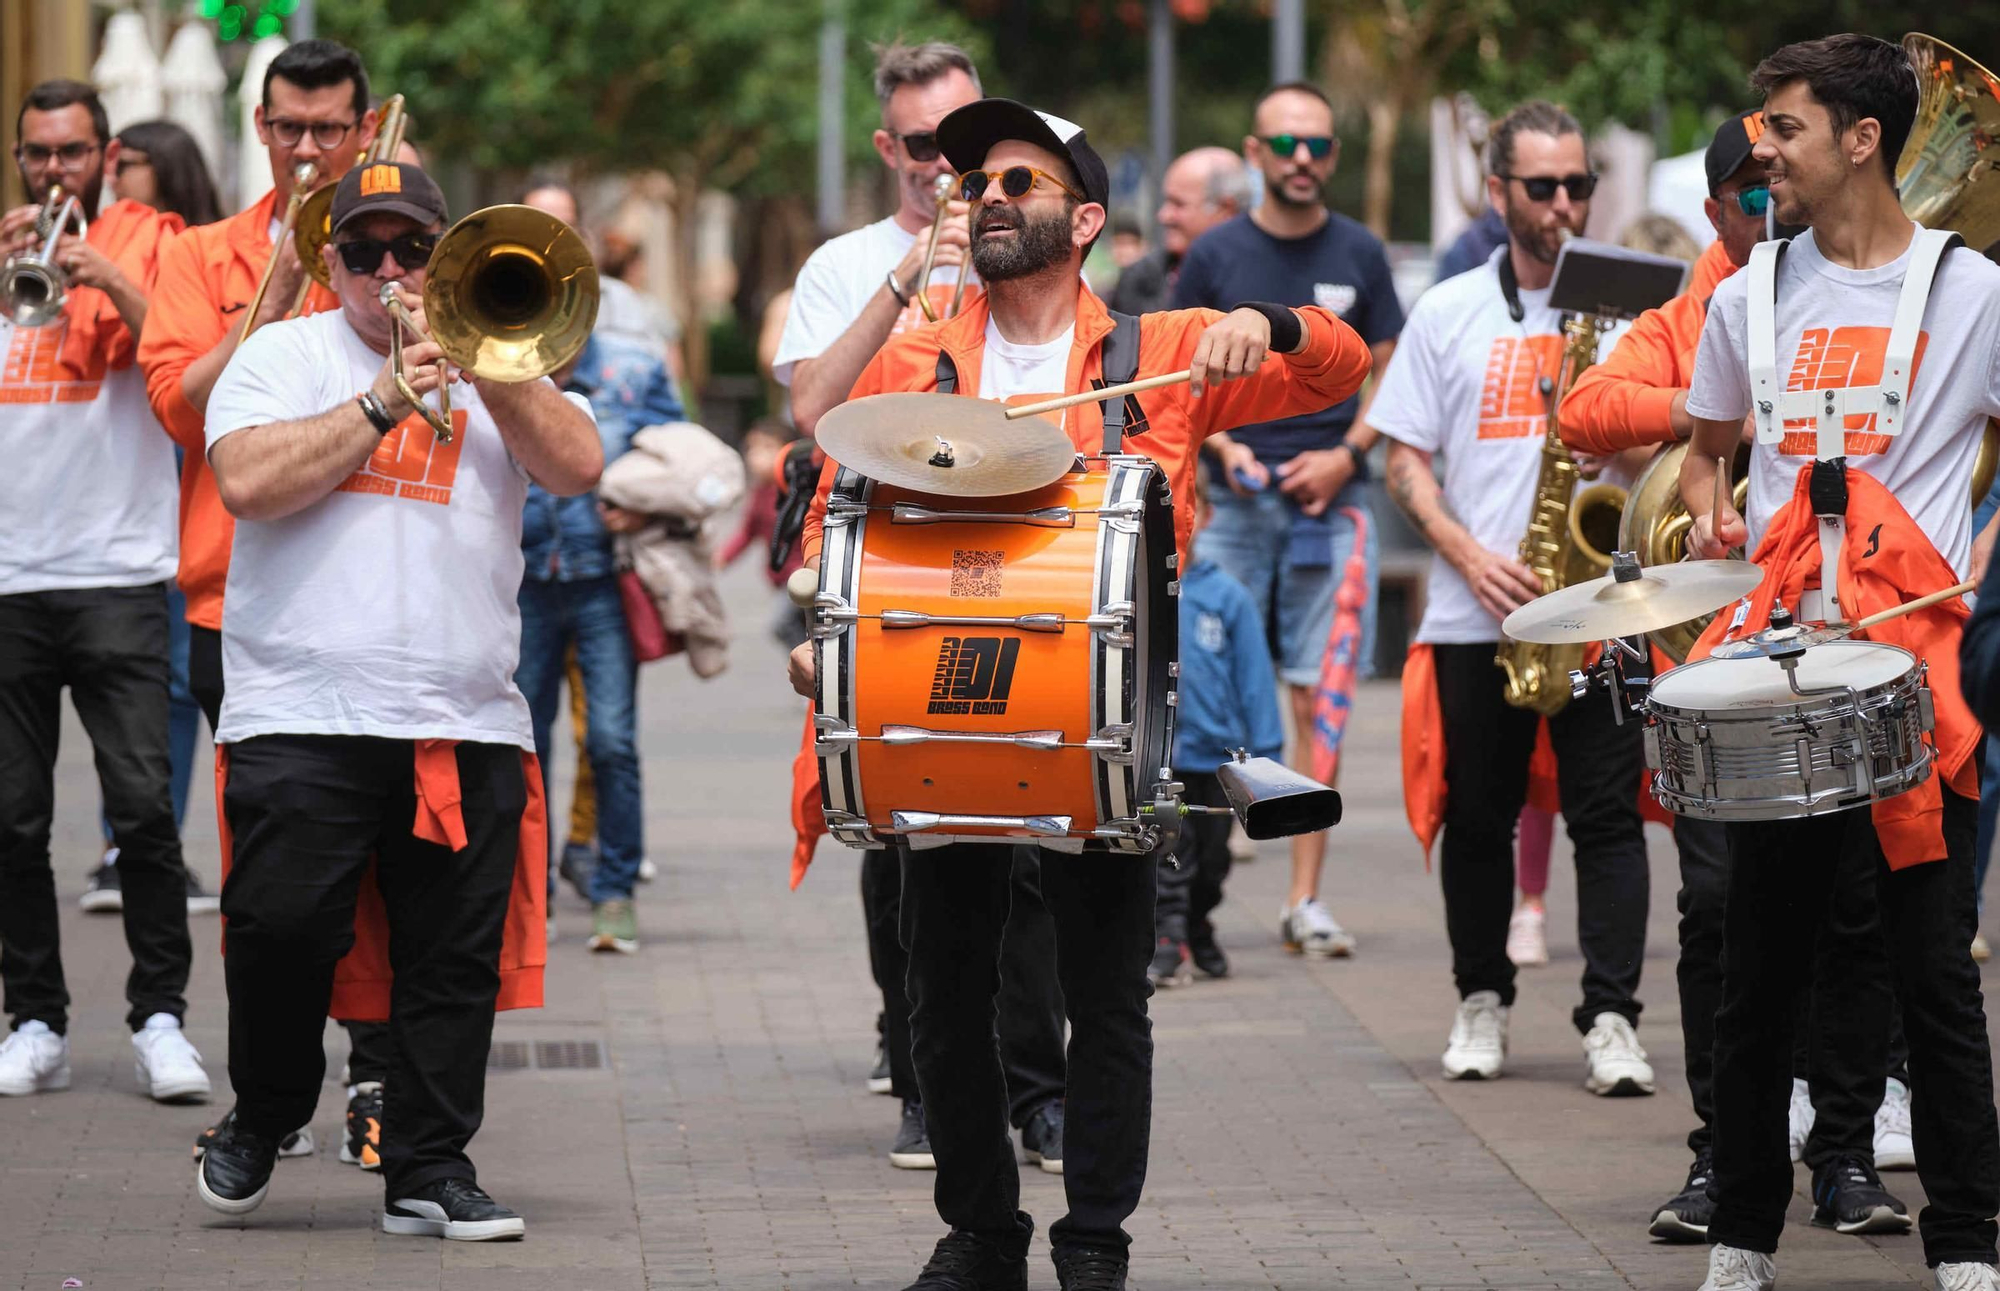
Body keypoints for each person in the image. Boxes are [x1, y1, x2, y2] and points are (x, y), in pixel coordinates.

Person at [786, 95, 1373, 1291]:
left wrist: (1256, 320)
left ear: (1086, 217)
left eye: (1020, 180)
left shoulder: (1160, 349)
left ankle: (1093, 1242)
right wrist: (818, 626)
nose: (991, 198)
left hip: (1110, 718)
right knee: (941, 994)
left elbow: (1339, 363)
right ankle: (980, 1233)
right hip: (944, 702)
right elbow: (827, 488)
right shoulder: (920, 356)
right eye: (978, 183)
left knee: (1103, 998)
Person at [188, 157, 597, 1238]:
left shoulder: (501, 352)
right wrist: (380, 399)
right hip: (299, 706)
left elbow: (578, 464)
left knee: (449, 962)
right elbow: (245, 483)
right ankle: (267, 1108)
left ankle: (428, 1163)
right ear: (332, 260)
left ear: (445, 253)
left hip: (461, 711)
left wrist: (488, 362)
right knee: (277, 933)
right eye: (363, 249)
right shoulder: (279, 355)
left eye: (411, 247)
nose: (387, 269)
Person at [1679, 35, 2000, 1291]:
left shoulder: (1971, 289)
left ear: (1861, 138)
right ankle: (1741, 1236)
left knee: (1932, 973)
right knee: (1758, 971)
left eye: (1783, 129)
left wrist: (1979, 567)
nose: (1759, 150)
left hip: (1918, 675)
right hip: (1779, 673)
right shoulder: (1739, 294)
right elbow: (1708, 444)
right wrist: (1709, 502)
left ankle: (1967, 1239)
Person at [1561, 106, 1915, 1243]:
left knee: (1854, 913)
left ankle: (1846, 1156)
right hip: (1723, 657)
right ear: (1719, 208)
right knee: (1720, 912)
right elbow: (1586, 411)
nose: (1768, 205)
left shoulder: (1869, 287)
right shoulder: (1702, 303)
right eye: (1748, 194)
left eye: (1778, 183)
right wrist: (1706, 418)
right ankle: (1724, 1155)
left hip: (1854, 631)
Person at [774, 39, 1069, 1177]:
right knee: (899, 837)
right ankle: (919, 1077)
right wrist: (909, 280)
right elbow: (812, 407)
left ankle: (1037, 1091)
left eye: (961, 149)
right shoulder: (848, 263)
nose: (941, 174)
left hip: (1014, 574)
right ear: (886, 148)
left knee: (1033, 838)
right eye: (915, 150)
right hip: (891, 576)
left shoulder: (1025, 230)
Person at [137, 36, 399, 1173]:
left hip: (388, 610)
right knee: (276, 883)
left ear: (362, 128)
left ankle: (381, 1074)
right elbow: (181, 410)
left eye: (330, 129)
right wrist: (286, 285)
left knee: (391, 873)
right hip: (231, 607)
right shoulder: (205, 254)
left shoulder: (410, 243)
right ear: (259, 127)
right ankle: (276, 1088)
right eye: (289, 128)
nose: (307, 149)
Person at [1374, 99, 1655, 1096]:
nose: (1563, 204)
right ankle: (1479, 999)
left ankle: (1613, 1016)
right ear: (1496, 193)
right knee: (1478, 814)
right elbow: (1401, 454)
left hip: (1600, 610)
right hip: (1476, 609)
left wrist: (1622, 436)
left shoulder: (1631, 309)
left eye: (1578, 184)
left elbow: (1672, 449)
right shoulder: (1448, 309)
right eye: (1541, 187)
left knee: (1606, 819)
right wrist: (1459, 552)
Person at [0, 78, 208, 1103]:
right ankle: (33, 1017)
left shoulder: (154, 245)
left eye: (70, 155)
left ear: (106, 153)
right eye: (37, 156)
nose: (53, 174)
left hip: (120, 571)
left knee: (142, 812)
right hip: (10, 577)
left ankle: (160, 1017)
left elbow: (182, 360)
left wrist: (104, 272)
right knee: (11, 818)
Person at [1171, 81, 1404, 960]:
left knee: (1321, 700)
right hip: (1231, 502)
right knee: (1205, 686)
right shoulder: (1215, 251)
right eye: (1286, 144)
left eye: (1319, 145)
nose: (1303, 160)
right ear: (1256, 153)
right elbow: (1182, 371)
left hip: (1329, 506)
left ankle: (1305, 896)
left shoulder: (1362, 252)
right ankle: (1188, 898)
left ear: (1332, 156)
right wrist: (1222, 447)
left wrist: (1348, 453)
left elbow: (1388, 371)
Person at [514, 180, 683, 956]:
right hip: (516, 584)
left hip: (604, 579)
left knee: (611, 740)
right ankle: (530, 896)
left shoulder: (634, 368)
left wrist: (646, 507)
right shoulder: (497, 353)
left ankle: (614, 891)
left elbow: (681, 457)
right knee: (524, 748)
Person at [79, 118, 225, 916]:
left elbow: (171, 353)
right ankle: (122, 847)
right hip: (127, 488)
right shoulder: (110, 236)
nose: (110, 175)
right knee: (146, 675)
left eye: (122, 163)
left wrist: (105, 273)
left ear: (160, 170)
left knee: (177, 675)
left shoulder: (196, 250)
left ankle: (145, 847)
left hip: (187, 473)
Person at [1150, 470, 1284, 987]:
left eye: (1190, 509)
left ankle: (1199, 924)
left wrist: (1265, 756)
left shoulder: (1227, 596)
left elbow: (1254, 679)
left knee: (1212, 861)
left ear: (1204, 517)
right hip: (1162, 759)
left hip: (1218, 758)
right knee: (1168, 854)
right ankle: (1168, 936)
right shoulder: (1142, 591)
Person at [1107, 146, 1248, 317]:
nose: (1164, 216)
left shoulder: (1261, 277)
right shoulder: (1139, 280)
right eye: (1166, 202)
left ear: (1225, 209)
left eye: (1178, 204)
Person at [111, 119, 222, 227]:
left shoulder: (221, 242)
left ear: (165, 167)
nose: (111, 178)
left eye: (121, 166)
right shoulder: (110, 236)